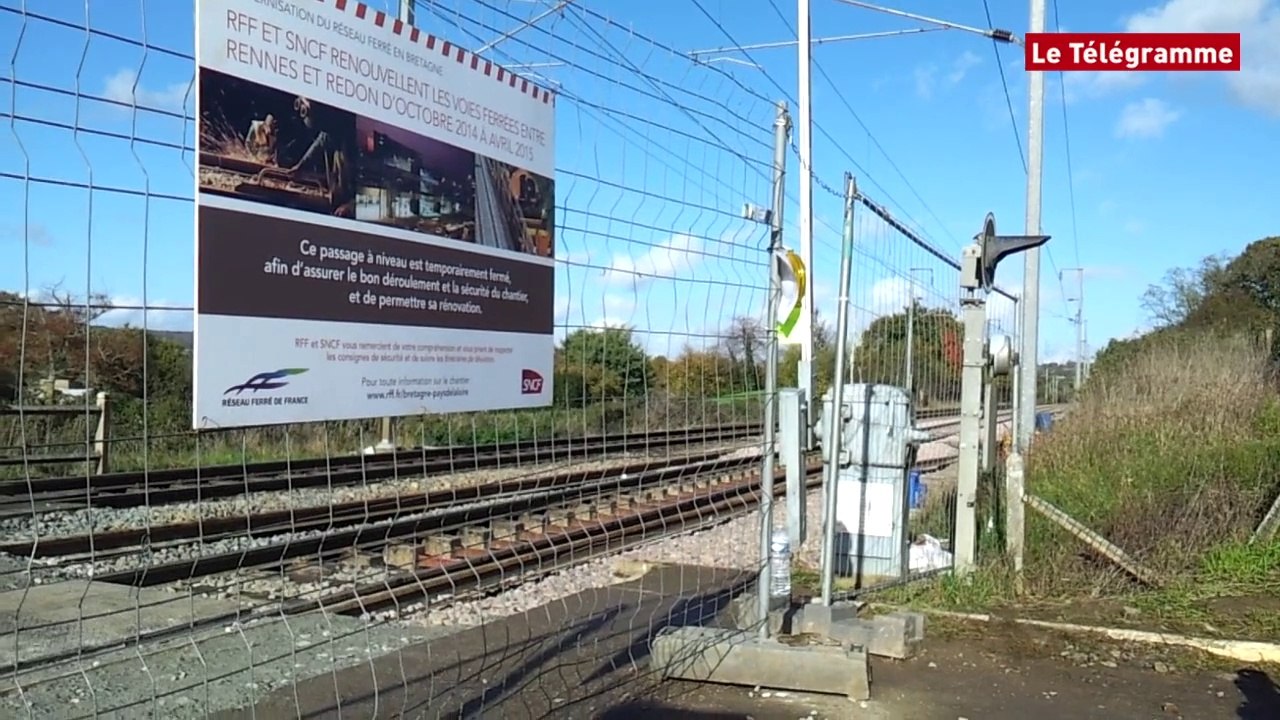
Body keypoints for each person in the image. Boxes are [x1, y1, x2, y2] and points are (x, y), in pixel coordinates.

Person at [279, 96, 354, 217]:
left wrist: (351, 207)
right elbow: (320, 142)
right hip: (336, 207)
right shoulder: (331, 132)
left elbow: (375, 194)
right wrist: (300, 166)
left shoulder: (353, 142)